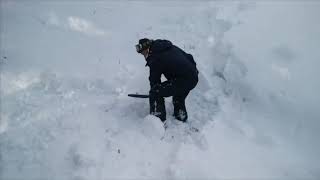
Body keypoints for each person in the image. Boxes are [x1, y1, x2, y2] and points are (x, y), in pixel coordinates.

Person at [136, 38, 198, 123]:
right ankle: (181, 116)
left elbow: (154, 80)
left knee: (156, 91)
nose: (144, 56)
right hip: (193, 76)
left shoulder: (155, 57)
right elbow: (189, 57)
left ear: (147, 48)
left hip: (183, 79)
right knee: (178, 96)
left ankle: (157, 121)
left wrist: (154, 92)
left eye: (143, 53)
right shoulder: (167, 47)